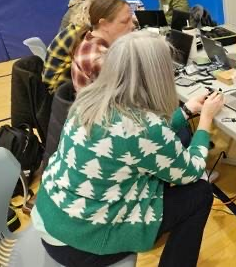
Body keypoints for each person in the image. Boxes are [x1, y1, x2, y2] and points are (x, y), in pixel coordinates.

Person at [32, 31, 224, 267]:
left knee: (159, 176)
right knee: (200, 192)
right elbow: (192, 170)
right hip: (80, 243)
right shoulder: (144, 127)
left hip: (53, 218)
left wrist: (185, 112)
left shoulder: (89, 100)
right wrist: (205, 120)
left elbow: (137, 142)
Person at [42, 0, 104, 94]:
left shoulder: (77, 26)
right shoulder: (81, 34)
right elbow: (92, 65)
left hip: (54, 83)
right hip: (60, 90)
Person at [71, 0, 135, 91]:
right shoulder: (100, 58)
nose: (132, 26)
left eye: (132, 19)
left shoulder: (90, 41)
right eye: (125, 21)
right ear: (104, 24)